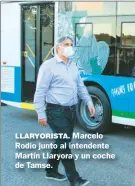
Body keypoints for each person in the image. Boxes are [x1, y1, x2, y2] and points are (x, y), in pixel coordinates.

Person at [33, 36, 96, 186]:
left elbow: (80, 86)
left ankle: (50, 170)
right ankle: (74, 179)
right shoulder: (48, 66)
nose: (69, 47)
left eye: (71, 44)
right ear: (58, 47)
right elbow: (40, 91)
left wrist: (89, 102)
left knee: (62, 142)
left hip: (71, 111)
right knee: (64, 144)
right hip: (55, 112)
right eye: (66, 44)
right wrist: (41, 114)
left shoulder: (73, 66)